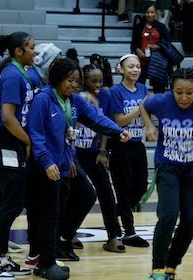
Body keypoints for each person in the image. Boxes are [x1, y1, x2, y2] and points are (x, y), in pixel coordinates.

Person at [26, 57, 131, 280]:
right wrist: (47, 162)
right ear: (57, 79)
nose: (74, 85)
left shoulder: (73, 100)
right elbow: (36, 136)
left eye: (77, 81)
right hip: (46, 167)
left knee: (80, 198)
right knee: (48, 214)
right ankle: (44, 262)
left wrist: (116, 131)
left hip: (64, 164)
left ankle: (57, 247)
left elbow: (95, 118)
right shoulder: (43, 100)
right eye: (70, 80)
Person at [140, 67, 193, 280]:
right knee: (168, 215)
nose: (184, 97)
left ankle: (172, 266)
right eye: (179, 92)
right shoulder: (161, 101)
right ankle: (157, 268)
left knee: (189, 221)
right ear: (172, 89)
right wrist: (150, 125)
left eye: (189, 92)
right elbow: (144, 106)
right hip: (167, 166)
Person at [0, 31, 35, 280]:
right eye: (31, 48)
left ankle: (0, 257)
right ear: (18, 51)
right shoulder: (13, 75)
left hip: (8, 139)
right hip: (3, 139)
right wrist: (27, 140)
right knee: (12, 201)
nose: (34, 51)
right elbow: (7, 117)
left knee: (7, 200)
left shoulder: (18, 72)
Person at [75, 64, 125, 253]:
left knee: (106, 191)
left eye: (100, 81)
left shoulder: (106, 96)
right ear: (83, 81)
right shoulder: (76, 97)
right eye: (93, 81)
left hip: (93, 152)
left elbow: (106, 124)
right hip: (75, 152)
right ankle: (69, 231)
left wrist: (102, 152)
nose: (97, 85)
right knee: (75, 194)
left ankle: (113, 236)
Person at [108, 54, 149, 248]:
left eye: (137, 66)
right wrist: (140, 108)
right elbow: (119, 121)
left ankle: (114, 214)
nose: (135, 70)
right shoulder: (115, 91)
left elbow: (147, 113)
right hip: (120, 145)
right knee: (123, 189)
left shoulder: (142, 88)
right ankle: (129, 233)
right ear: (121, 69)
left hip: (138, 143)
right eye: (130, 67)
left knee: (141, 186)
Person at [131, 1, 170, 94]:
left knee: (159, 90)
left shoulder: (161, 27)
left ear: (156, 13)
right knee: (139, 88)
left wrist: (157, 46)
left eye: (152, 12)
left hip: (157, 63)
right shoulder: (138, 27)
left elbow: (168, 43)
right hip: (141, 62)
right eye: (147, 12)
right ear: (144, 13)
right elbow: (133, 44)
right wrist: (137, 50)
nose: (150, 15)